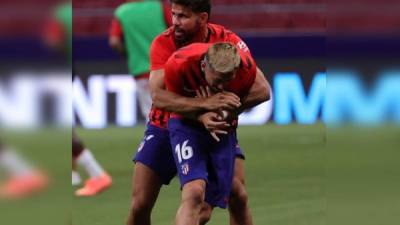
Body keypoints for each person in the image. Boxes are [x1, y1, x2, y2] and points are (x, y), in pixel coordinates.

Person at [127, 0, 270, 224]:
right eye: (174, 14)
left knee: (236, 196)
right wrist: (205, 106)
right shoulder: (165, 43)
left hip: (213, 129)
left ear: (202, 18)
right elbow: (159, 96)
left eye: (182, 16)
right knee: (140, 204)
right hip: (165, 125)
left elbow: (261, 88)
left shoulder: (227, 42)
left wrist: (223, 113)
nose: (175, 22)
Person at [162, 42, 269, 225]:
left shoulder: (245, 66)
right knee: (194, 192)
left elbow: (263, 92)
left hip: (222, 130)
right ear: (205, 65)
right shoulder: (179, 64)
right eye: (218, 79)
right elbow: (167, 102)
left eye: (228, 80)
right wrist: (202, 113)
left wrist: (224, 113)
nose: (222, 86)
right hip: (186, 126)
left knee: (236, 195)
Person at [44, 1, 112, 196]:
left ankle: (94, 174)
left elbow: (53, 41)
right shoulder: (69, 11)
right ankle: (79, 174)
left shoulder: (60, 13)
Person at [109, 0, 172, 119]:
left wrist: (129, 54)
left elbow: (114, 42)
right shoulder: (158, 6)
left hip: (141, 70)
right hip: (167, 67)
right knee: (174, 111)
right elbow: (178, 28)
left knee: (151, 115)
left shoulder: (122, 12)